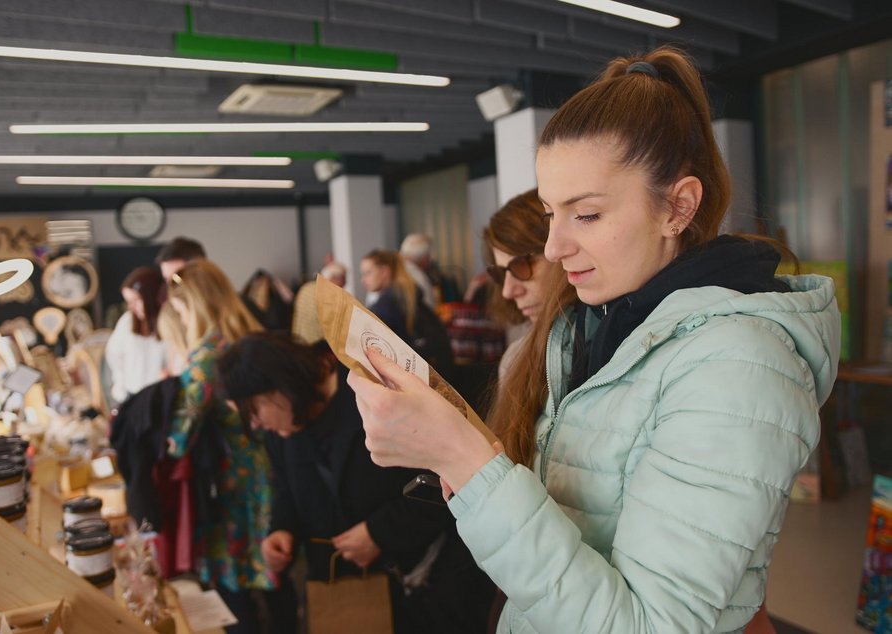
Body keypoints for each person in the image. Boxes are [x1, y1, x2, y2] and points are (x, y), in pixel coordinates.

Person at [348, 46, 840, 633]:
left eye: (585, 215)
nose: (554, 248)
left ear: (678, 207)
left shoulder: (737, 364)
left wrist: (466, 460)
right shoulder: (591, 329)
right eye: (551, 214)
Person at [217, 333, 494, 634]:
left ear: (281, 387)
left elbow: (442, 477)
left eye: (253, 410)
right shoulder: (282, 433)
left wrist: (379, 533)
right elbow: (286, 490)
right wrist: (281, 530)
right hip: (345, 593)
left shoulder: (370, 392)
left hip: (423, 581)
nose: (254, 424)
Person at [165, 259, 285, 633]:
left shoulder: (206, 357)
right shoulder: (253, 337)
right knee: (276, 577)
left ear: (195, 305)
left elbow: (179, 435)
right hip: (272, 470)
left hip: (233, 483)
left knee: (234, 588)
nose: (182, 320)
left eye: (181, 311)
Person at [482, 189, 570, 382]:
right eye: (500, 273)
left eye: (520, 266)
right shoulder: (515, 359)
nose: (508, 291)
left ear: (559, 251)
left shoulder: (612, 350)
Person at [361, 249, 455, 380]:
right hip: (437, 373)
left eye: (368, 273)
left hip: (421, 377)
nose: (363, 280)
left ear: (384, 271)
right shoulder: (406, 294)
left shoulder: (386, 305)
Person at [104, 266, 168, 406]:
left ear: (151, 296)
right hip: (131, 396)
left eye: (136, 300)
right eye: (129, 302)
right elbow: (114, 355)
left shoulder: (168, 324)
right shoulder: (127, 321)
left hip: (158, 400)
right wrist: (121, 388)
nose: (132, 307)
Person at [291, 261, 347, 344]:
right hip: (318, 345)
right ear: (336, 278)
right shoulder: (329, 294)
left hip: (299, 341)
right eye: (343, 280)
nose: (344, 284)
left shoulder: (305, 287)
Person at [400, 233, 438, 309]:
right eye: (428, 255)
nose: (429, 260)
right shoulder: (418, 277)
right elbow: (429, 306)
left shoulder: (395, 269)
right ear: (424, 257)